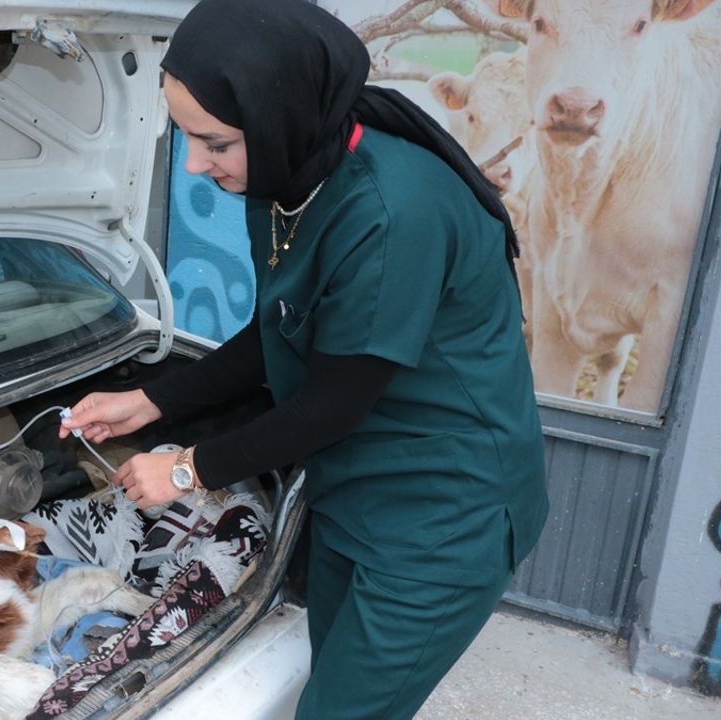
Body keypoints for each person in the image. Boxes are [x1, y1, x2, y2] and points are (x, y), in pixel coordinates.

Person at [57, 1, 550, 718]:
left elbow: (332, 403)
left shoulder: (390, 214)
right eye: (187, 139)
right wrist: (154, 401)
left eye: (216, 143)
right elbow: (285, 325)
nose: (196, 166)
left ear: (274, 115)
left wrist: (187, 468)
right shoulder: (289, 172)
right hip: (358, 491)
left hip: (444, 517)